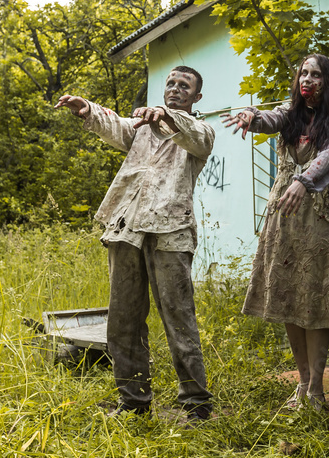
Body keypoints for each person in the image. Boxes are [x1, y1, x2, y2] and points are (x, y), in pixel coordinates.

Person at [55, 66, 214, 423]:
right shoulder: (142, 128)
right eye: (171, 83)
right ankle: (133, 403)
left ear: (196, 97)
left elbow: (194, 135)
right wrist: (88, 109)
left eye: (184, 85)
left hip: (171, 235)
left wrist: (167, 116)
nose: (175, 88)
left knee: (179, 319)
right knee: (123, 320)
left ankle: (196, 405)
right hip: (126, 230)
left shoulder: (200, 131)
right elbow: (117, 126)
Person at [222, 54, 329, 410]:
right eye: (303, 73)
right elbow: (268, 120)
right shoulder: (288, 113)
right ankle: (303, 382)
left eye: (316, 74)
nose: (307, 79)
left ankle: (317, 389)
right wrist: (251, 116)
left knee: (315, 298)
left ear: (328, 82)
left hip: (321, 216)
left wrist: (303, 181)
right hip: (285, 216)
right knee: (291, 298)